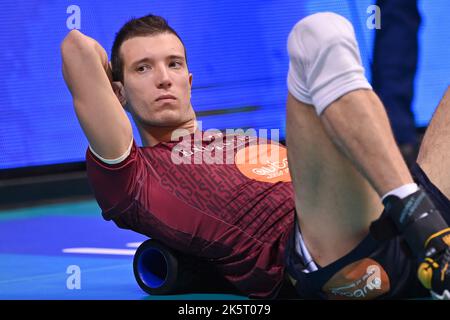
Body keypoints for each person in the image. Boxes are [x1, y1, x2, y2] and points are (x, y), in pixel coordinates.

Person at [61, 13, 450, 300]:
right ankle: (415, 213)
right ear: (118, 94)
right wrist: (111, 90)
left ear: (189, 81)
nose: (164, 77)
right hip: (332, 259)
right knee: (317, 32)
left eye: (174, 64)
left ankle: (421, 222)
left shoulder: (239, 140)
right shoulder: (132, 177)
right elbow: (76, 49)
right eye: (143, 68)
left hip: (408, 234)